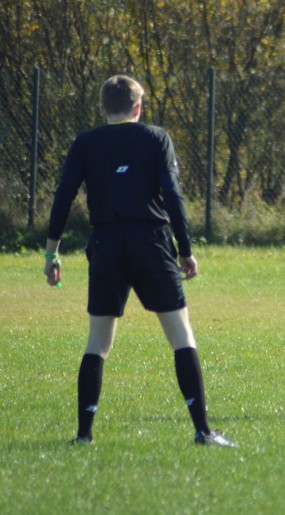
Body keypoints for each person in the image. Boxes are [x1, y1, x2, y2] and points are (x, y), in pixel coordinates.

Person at [43, 75, 236, 446]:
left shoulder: (85, 143)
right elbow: (172, 195)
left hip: (106, 243)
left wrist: (52, 251)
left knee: (97, 343)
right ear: (138, 107)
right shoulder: (155, 138)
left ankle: (84, 435)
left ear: (103, 108)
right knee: (181, 337)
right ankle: (203, 430)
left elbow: (64, 195)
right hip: (151, 242)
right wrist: (185, 249)